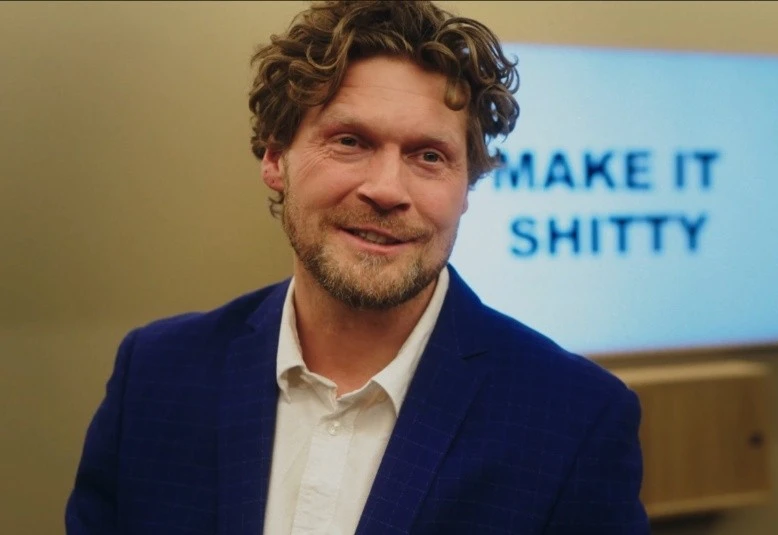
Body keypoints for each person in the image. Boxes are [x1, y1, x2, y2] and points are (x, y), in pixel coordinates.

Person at [66, 1, 648, 533]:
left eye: (429, 156)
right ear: (275, 157)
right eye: (350, 141)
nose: (387, 190)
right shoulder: (156, 377)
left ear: (466, 187)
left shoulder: (574, 420)